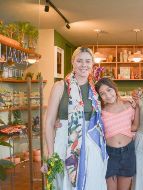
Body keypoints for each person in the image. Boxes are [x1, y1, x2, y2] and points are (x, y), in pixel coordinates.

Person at [42, 47, 108, 190]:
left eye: (87, 61)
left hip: (91, 145)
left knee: (91, 183)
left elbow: (111, 103)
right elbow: (49, 122)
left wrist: (132, 102)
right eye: (79, 61)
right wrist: (49, 153)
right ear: (73, 62)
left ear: (92, 64)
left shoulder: (96, 89)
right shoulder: (60, 86)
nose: (83, 65)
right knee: (64, 183)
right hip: (64, 142)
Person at [95, 77, 139, 190]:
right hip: (110, 154)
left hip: (128, 153)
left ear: (115, 88)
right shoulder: (101, 111)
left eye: (109, 90)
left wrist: (137, 106)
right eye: (102, 93)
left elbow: (134, 127)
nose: (108, 95)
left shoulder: (129, 106)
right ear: (100, 96)